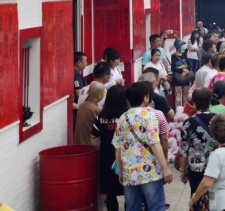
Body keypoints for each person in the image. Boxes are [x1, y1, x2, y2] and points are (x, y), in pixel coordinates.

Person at [112, 82, 173, 211]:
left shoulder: (123, 117)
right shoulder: (150, 115)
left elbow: (117, 147)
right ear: (145, 97)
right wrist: (165, 167)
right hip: (149, 172)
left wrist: (121, 170)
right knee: (155, 207)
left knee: (132, 207)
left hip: (129, 171)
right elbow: (155, 143)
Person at [179, 88, 217, 210]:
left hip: (196, 168)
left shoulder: (188, 123)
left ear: (194, 102)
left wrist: (182, 169)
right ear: (210, 100)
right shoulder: (217, 120)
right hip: (215, 166)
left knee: (196, 197)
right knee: (215, 198)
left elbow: (184, 150)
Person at [92, 85, 128, 211]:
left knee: (111, 193)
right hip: (125, 156)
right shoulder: (127, 115)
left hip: (107, 156)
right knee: (128, 191)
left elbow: (93, 135)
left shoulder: (101, 116)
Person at [171, 38, 193, 107]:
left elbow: (189, 64)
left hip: (186, 79)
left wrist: (186, 71)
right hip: (178, 80)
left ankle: (184, 111)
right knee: (178, 97)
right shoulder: (173, 56)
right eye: (182, 45)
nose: (183, 46)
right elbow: (173, 68)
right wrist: (182, 70)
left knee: (185, 97)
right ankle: (178, 112)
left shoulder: (184, 54)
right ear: (178, 47)